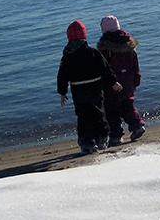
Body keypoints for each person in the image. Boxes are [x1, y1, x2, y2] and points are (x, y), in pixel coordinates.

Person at [57, 20, 122, 154]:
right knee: (99, 114)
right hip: (95, 88)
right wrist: (113, 82)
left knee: (83, 117)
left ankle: (86, 143)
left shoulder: (67, 56)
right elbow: (105, 69)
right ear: (84, 35)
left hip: (78, 90)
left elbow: (62, 75)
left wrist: (62, 92)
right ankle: (101, 139)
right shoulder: (93, 52)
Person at [96, 15, 146, 145]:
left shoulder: (104, 47)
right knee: (127, 105)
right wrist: (137, 79)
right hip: (128, 82)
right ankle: (137, 125)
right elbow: (135, 64)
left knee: (111, 110)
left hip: (112, 85)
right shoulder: (128, 45)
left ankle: (116, 135)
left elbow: (102, 68)